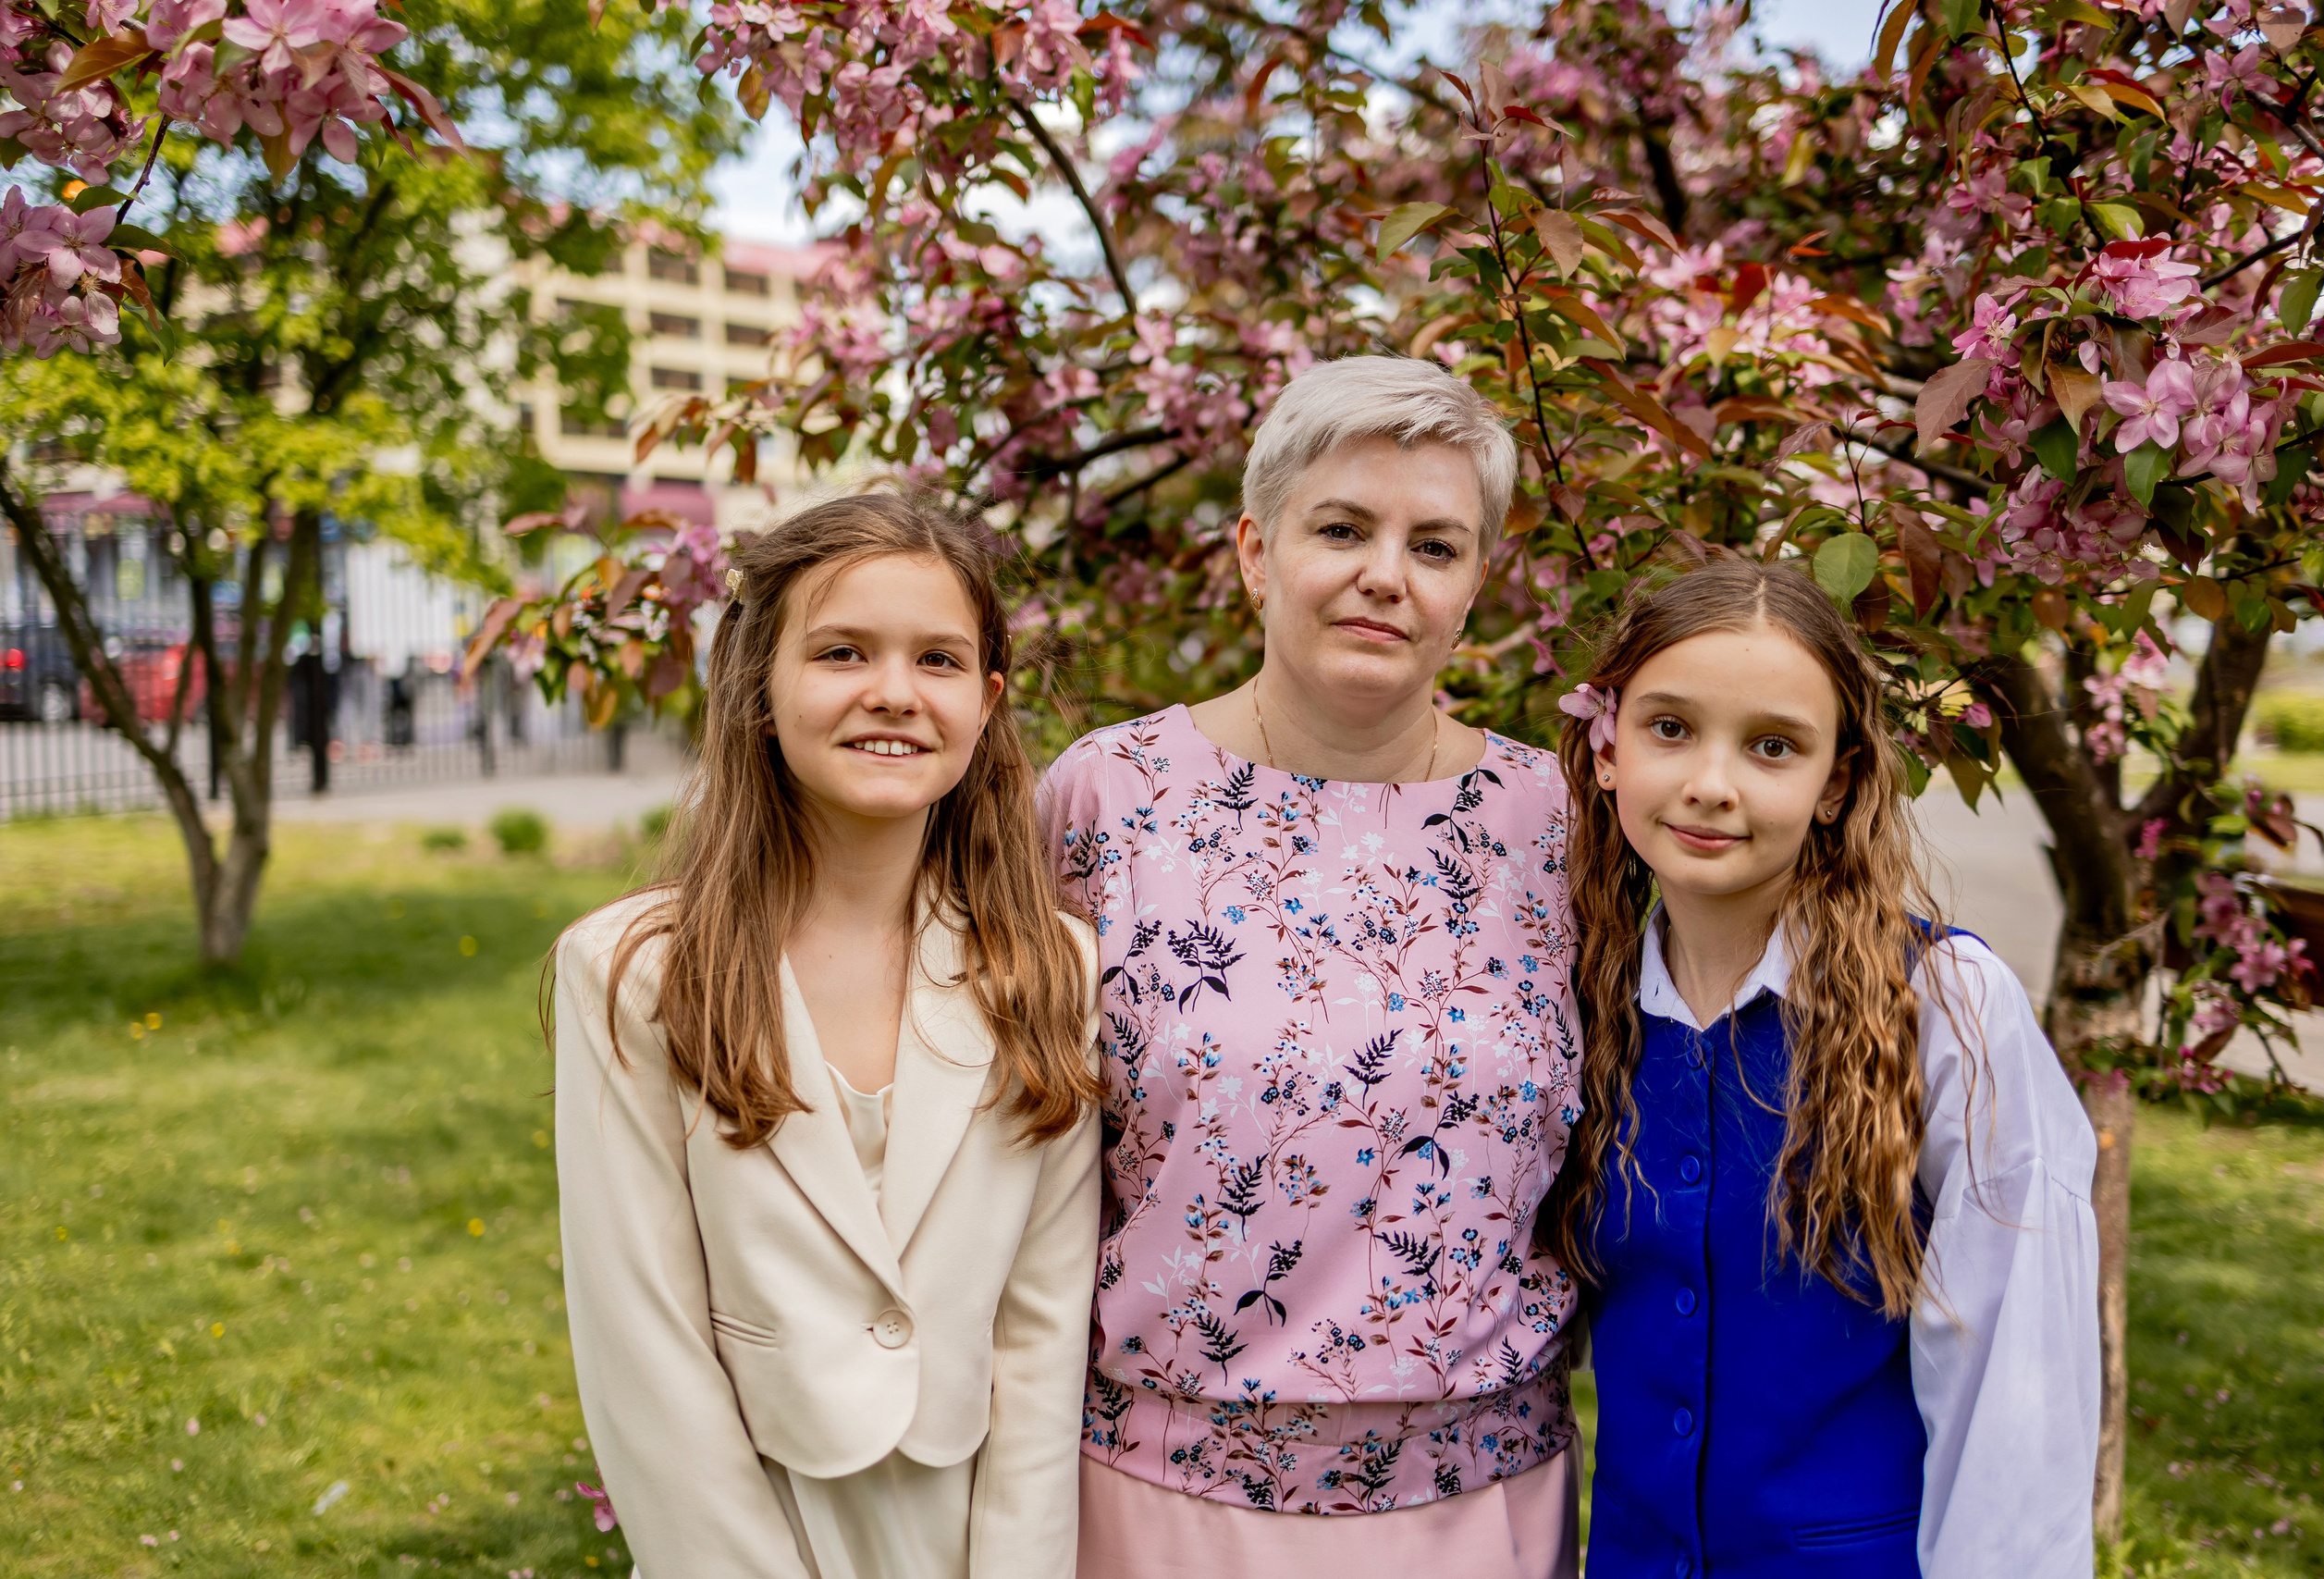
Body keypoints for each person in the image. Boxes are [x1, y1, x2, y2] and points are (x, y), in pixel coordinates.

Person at [1039, 356, 1586, 1576]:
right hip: (1166, 1501)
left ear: (1474, 583)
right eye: (1341, 527)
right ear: (1255, 550)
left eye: (1434, 545)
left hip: (1483, 1501)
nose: (1384, 574)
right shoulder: (1106, 796)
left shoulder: (1554, 816)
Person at [550, 493, 1103, 1579]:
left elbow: (1041, 1348)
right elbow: (645, 1351)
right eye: (842, 652)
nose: (893, 693)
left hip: (974, 1535)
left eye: (938, 661)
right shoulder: (639, 974)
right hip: (756, 1528)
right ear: (758, 688)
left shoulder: (1052, 969)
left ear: (987, 702)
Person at [1554, 554, 2100, 1579]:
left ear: (1835, 780)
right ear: (1606, 747)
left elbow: (2011, 1385)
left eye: (1772, 747)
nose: (1710, 785)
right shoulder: (1582, 1005)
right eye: (1669, 728)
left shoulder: (1944, 1006)